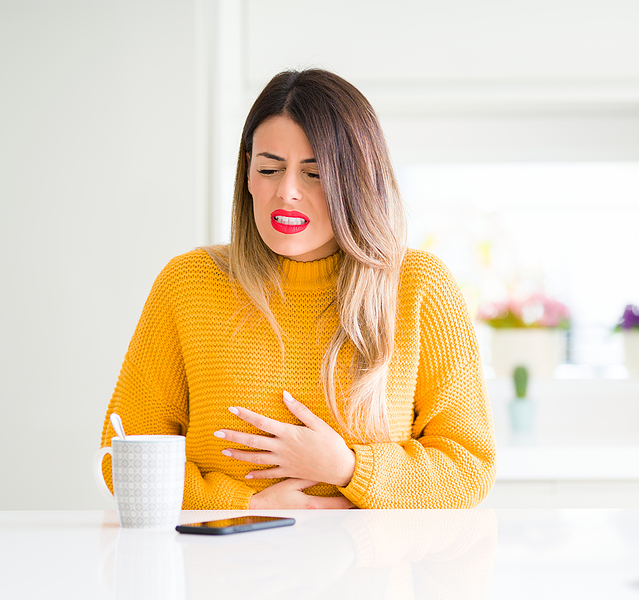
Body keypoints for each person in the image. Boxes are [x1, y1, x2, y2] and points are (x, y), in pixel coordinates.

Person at [100, 69, 496, 509]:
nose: (286, 192)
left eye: (314, 174)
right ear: (247, 175)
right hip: (220, 570)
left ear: (356, 182)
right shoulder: (187, 283)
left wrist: (345, 469)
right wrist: (246, 508)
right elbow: (123, 453)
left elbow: (467, 468)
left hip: (369, 571)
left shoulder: (419, 287)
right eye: (269, 169)